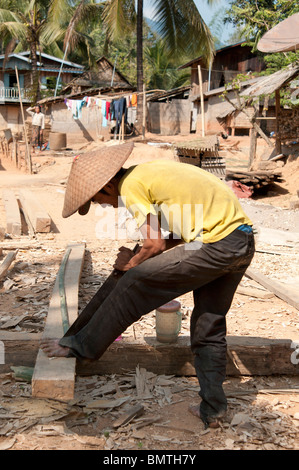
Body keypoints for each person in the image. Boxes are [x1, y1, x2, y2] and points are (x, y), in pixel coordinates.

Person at [41, 142, 255, 428]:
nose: (104, 205)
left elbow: (153, 245)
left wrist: (131, 264)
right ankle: (213, 409)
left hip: (216, 244)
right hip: (240, 241)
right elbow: (175, 239)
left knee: (133, 280)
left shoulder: (130, 185)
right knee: (208, 324)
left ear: (106, 186)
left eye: (98, 201)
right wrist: (137, 257)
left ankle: (80, 346)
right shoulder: (151, 175)